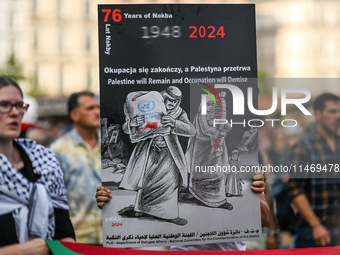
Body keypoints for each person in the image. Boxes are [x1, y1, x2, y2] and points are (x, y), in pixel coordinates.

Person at [96, 171, 269, 251]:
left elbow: (263, 219)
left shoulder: (244, 170)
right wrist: (112, 203)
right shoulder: (182, 166)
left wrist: (253, 196)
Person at [0, 76, 75, 254]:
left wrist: (66, 248)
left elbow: (63, 230)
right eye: (4, 104)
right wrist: (21, 251)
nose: (15, 112)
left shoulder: (45, 160)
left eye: (19, 105)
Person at [119, 86, 196, 225]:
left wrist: (174, 123)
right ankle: (142, 208)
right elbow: (125, 127)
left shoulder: (178, 113)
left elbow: (191, 130)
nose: (172, 104)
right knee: (146, 180)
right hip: (148, 151)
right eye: (169, 100)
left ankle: (170, 214)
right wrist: (132, 123)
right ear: (163, 98)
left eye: (175, 102)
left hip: (169, 153)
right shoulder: (147, 106)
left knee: (170, 182)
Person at [288, 93, 340, 248]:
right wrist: (316, 225)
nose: (338, 116)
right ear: (318, 114)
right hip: (312, 232)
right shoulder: (303, 146)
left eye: (339, 111)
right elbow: (295, 189)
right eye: (332, 111)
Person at [50, 91, 102, 244]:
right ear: (74, 115)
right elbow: (53, 198)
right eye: (90, 108)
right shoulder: (59, 149)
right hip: (77, 239)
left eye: (98, 107)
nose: (97, 112)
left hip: (111, 237)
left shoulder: (112, 145)